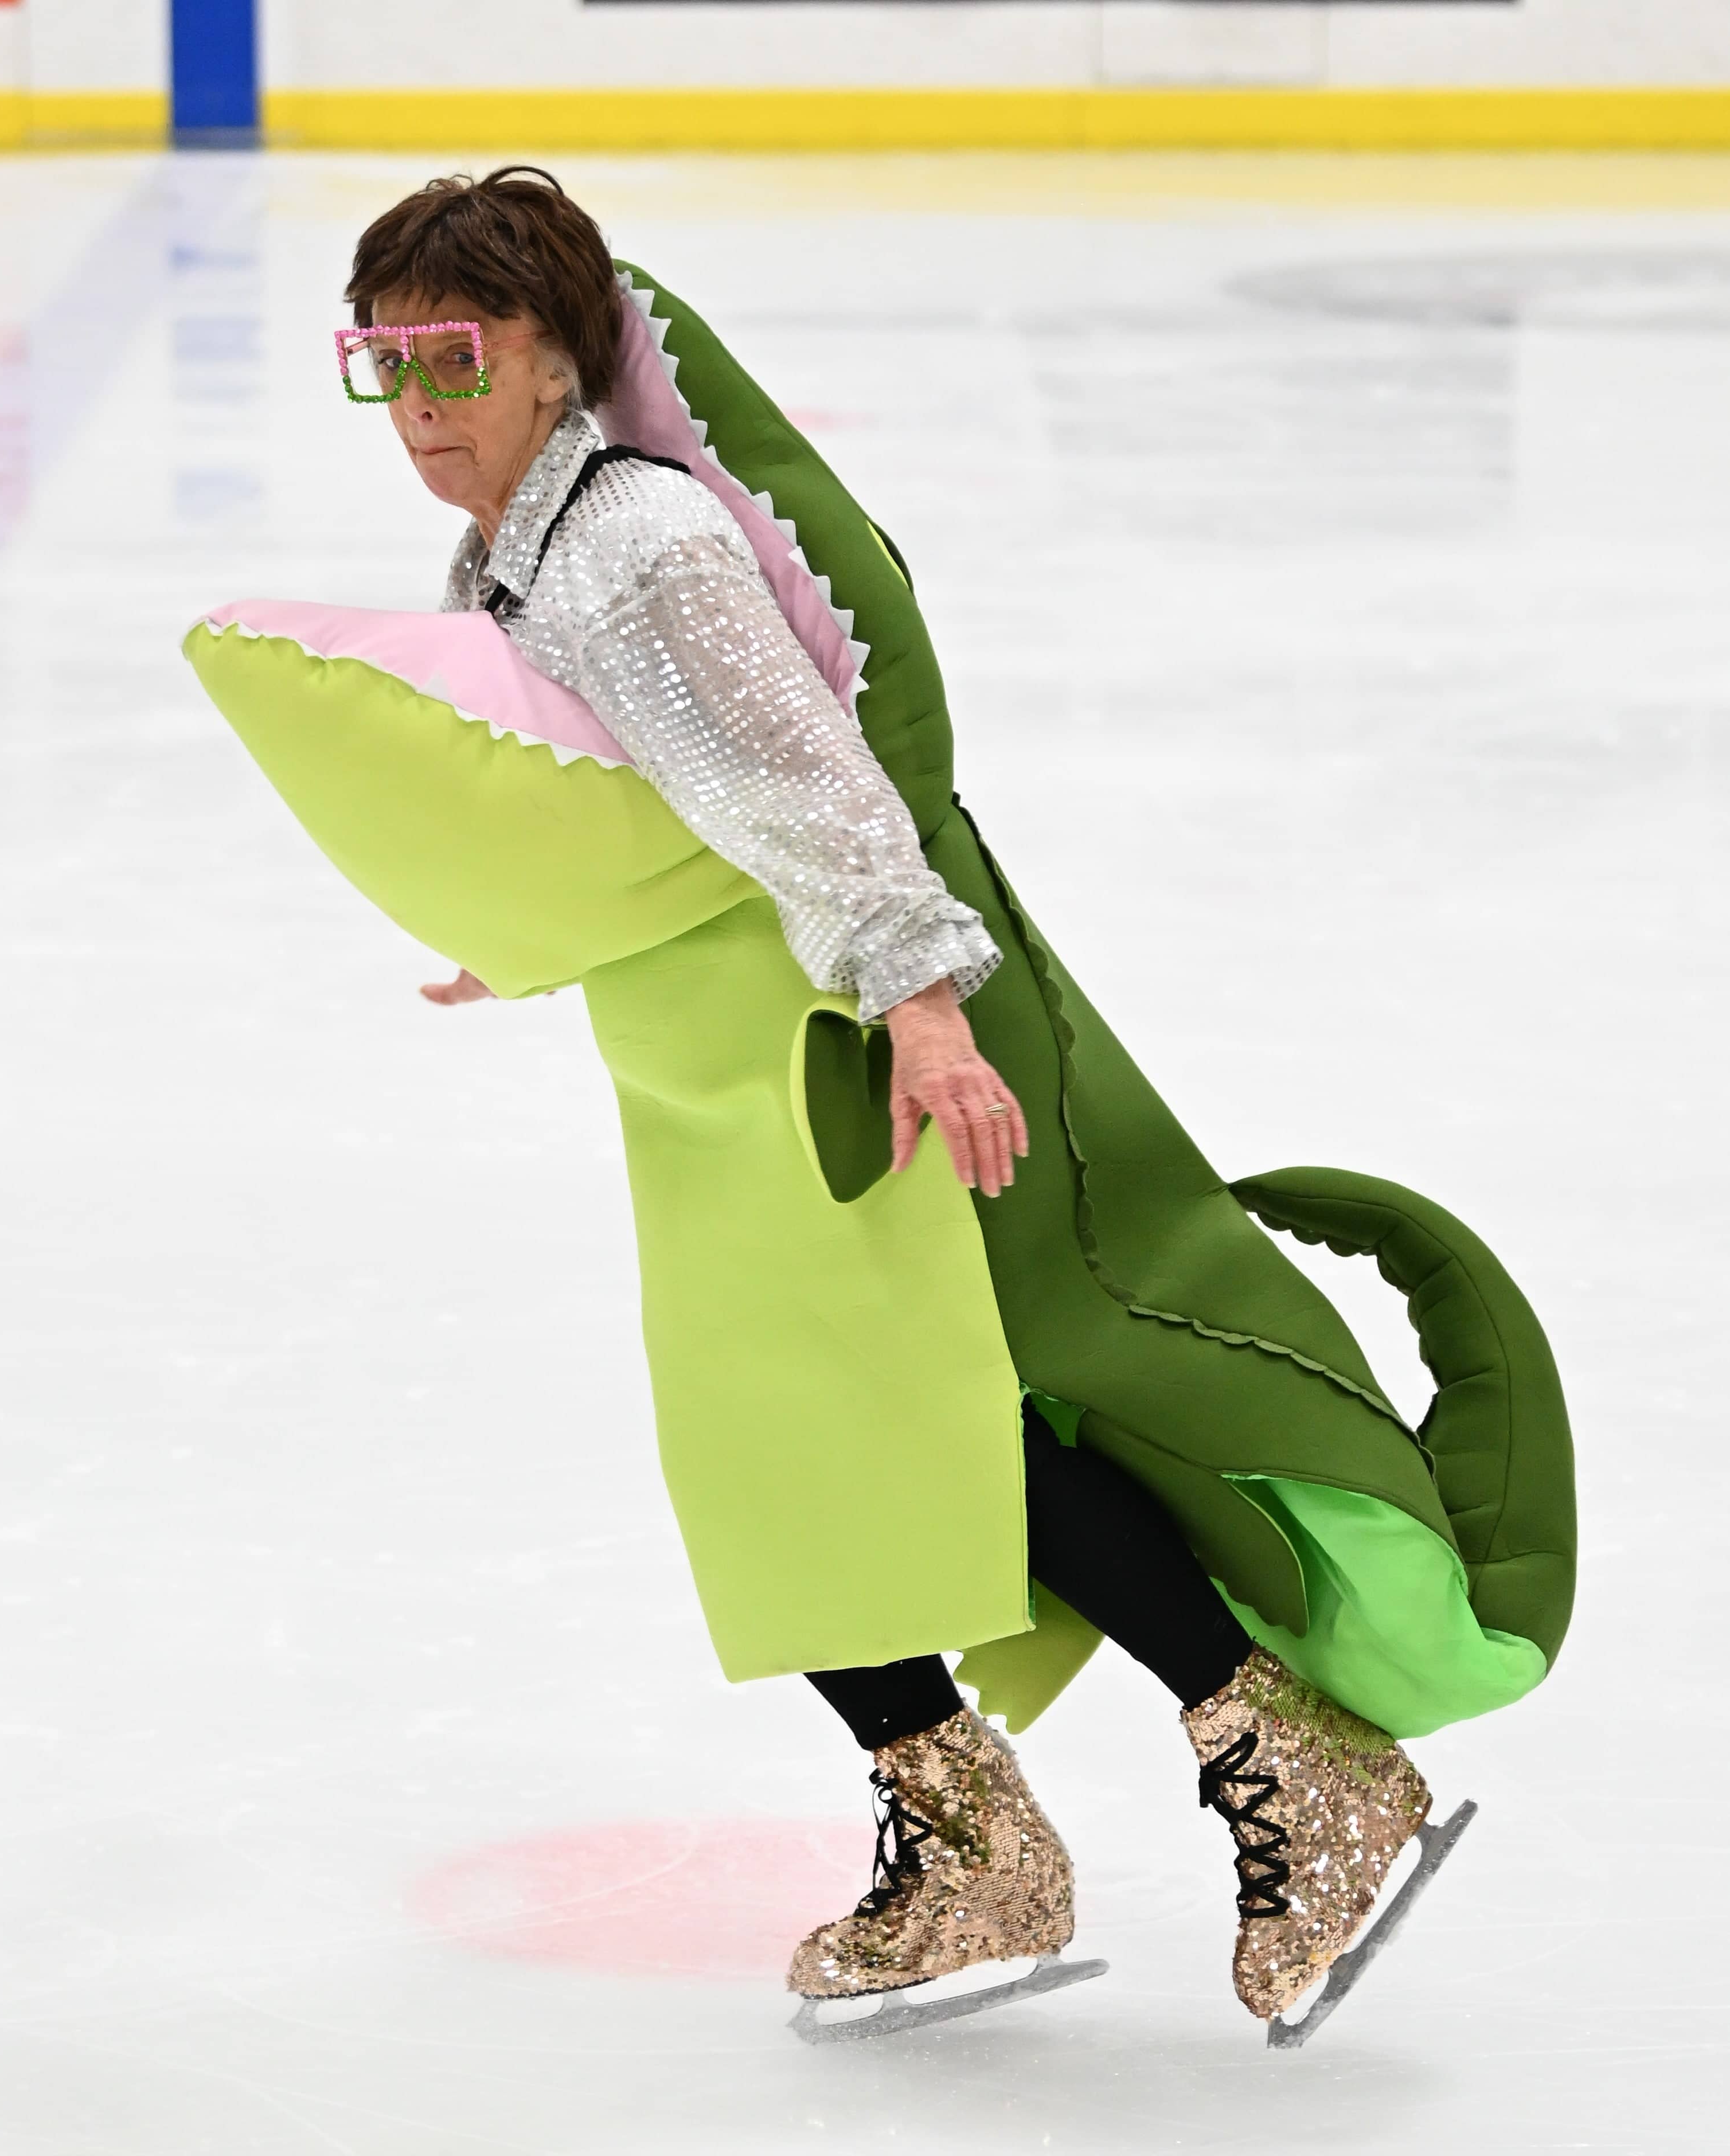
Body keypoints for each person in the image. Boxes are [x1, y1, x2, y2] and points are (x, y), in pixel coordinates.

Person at [328, 167, 1572, 2038]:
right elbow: (635, 804)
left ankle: (1284, 1770)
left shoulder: (639, 540)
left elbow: (815, 780)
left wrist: (922, 1008)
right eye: (382, 364)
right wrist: (534, 933)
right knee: (793, 1456)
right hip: (716, 1073)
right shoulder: (522, 539)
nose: (419, 405)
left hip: (830, 1041)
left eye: (453, 357)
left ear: (551, 357)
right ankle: (985, 1811)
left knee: (890, 1429)